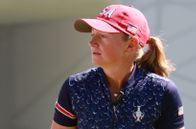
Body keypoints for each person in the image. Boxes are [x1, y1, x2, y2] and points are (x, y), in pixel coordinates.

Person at [51, 4, 185, 129]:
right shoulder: (75, 86)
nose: (92, 42)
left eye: (103, 36)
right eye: (93, 34)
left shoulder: (163, 91)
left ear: (131, 44)